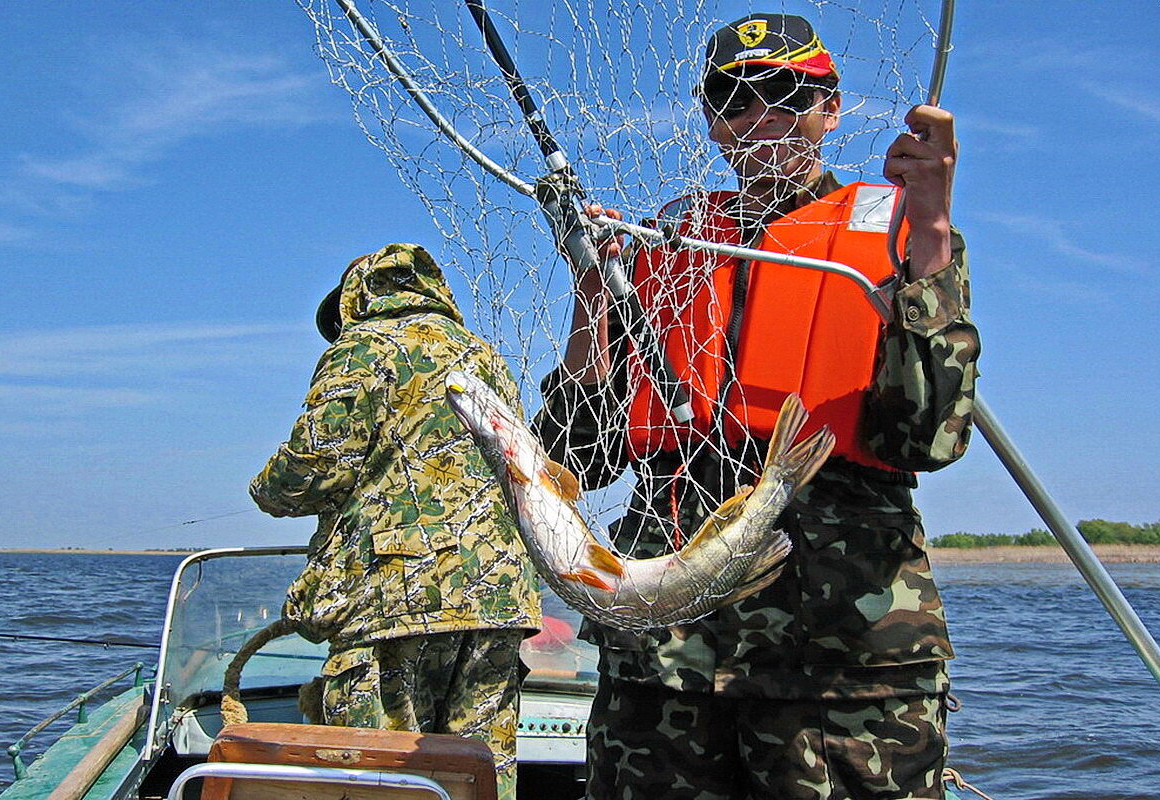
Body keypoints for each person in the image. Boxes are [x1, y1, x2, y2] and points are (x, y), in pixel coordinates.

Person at [534, 13, 980, 800]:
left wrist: (934, 227)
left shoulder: (899, 236)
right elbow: (579, 458)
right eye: (732, 98)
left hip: (844, 664)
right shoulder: (665, 244)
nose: (760, 113)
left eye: (784, 91)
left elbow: (928, 436)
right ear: (710, 123)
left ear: (830, 107)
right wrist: (589, 297)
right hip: (662, 669)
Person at [250, 243, 542, 800]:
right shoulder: (483, 356)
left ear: (356, 300)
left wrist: (264, 490)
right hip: (500, 599)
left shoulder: (361, 348)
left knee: (379, 778)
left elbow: (314, 467)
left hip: (395, 599)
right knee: (475, 774)